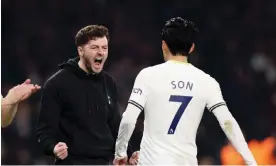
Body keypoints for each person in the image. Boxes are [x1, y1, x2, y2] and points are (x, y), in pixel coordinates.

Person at [113, 17, 257, 165]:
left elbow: (129, 119)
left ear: (163, 45)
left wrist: (120, 152)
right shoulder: (206, 81)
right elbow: (228, 123)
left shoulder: (147, 75)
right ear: (191, 48)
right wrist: (251, 162)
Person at [36, 25, 138, 165]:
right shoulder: (57, 84)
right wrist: (53, 148)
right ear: (81, 51)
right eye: (94, 47)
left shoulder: (108, 83)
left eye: (104, 48)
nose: (101, 52)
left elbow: (115, 126)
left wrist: (129, 152)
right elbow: (45, 130)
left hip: (104, 162)